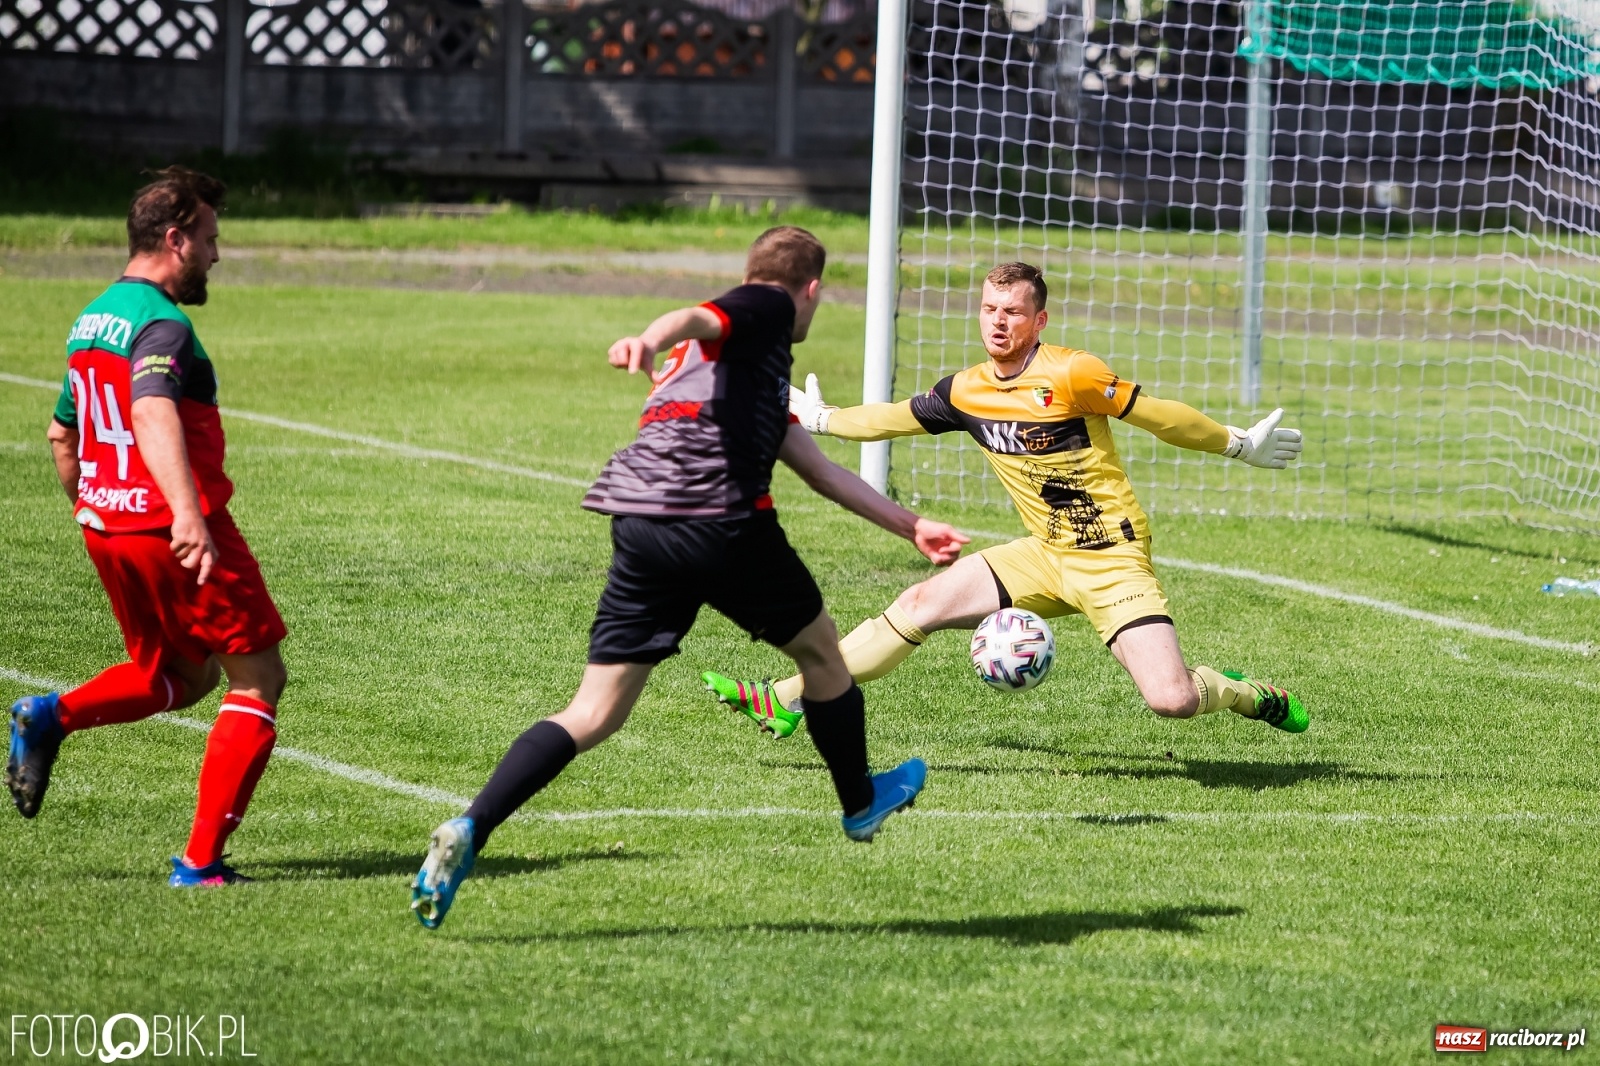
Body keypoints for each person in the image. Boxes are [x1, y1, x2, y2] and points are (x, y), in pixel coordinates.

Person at [410, 226, 945, 929]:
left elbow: (818, 469)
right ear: (811, 289)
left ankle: (472, 825)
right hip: (717, 518)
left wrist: (910, 526)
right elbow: (696, 315)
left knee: (594, 711)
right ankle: (859, 802)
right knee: (821, 654)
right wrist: (647, 336)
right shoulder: (767, 308)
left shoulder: (734, 371)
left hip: (638, 522)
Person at [703, 261, 1310, 738]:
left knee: (1171, 699)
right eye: (989, 309)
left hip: (1110, 558)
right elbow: (894, 417)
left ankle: (1240, 692)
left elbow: (1158, 416)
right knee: (919, 603)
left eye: (1013, 312)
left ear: (1038, 322)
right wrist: (823, 418)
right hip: (1042, 554)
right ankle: (783, 699)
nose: (998, 322)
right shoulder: (967, 391)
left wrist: (1236, 444)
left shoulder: (1072, 373)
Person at [6, 167, 289, 887]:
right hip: (170, 526)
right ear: (175, 239)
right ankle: (200, 864)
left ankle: (49, 716)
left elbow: (60, 436)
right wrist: (188, 515)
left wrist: (92, 510)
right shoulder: (163, 323)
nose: (216, 256)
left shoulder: (92, 317)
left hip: (109, 528)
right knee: (256, 680)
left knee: (178, 675)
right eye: (209, 239)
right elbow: (151, 409)